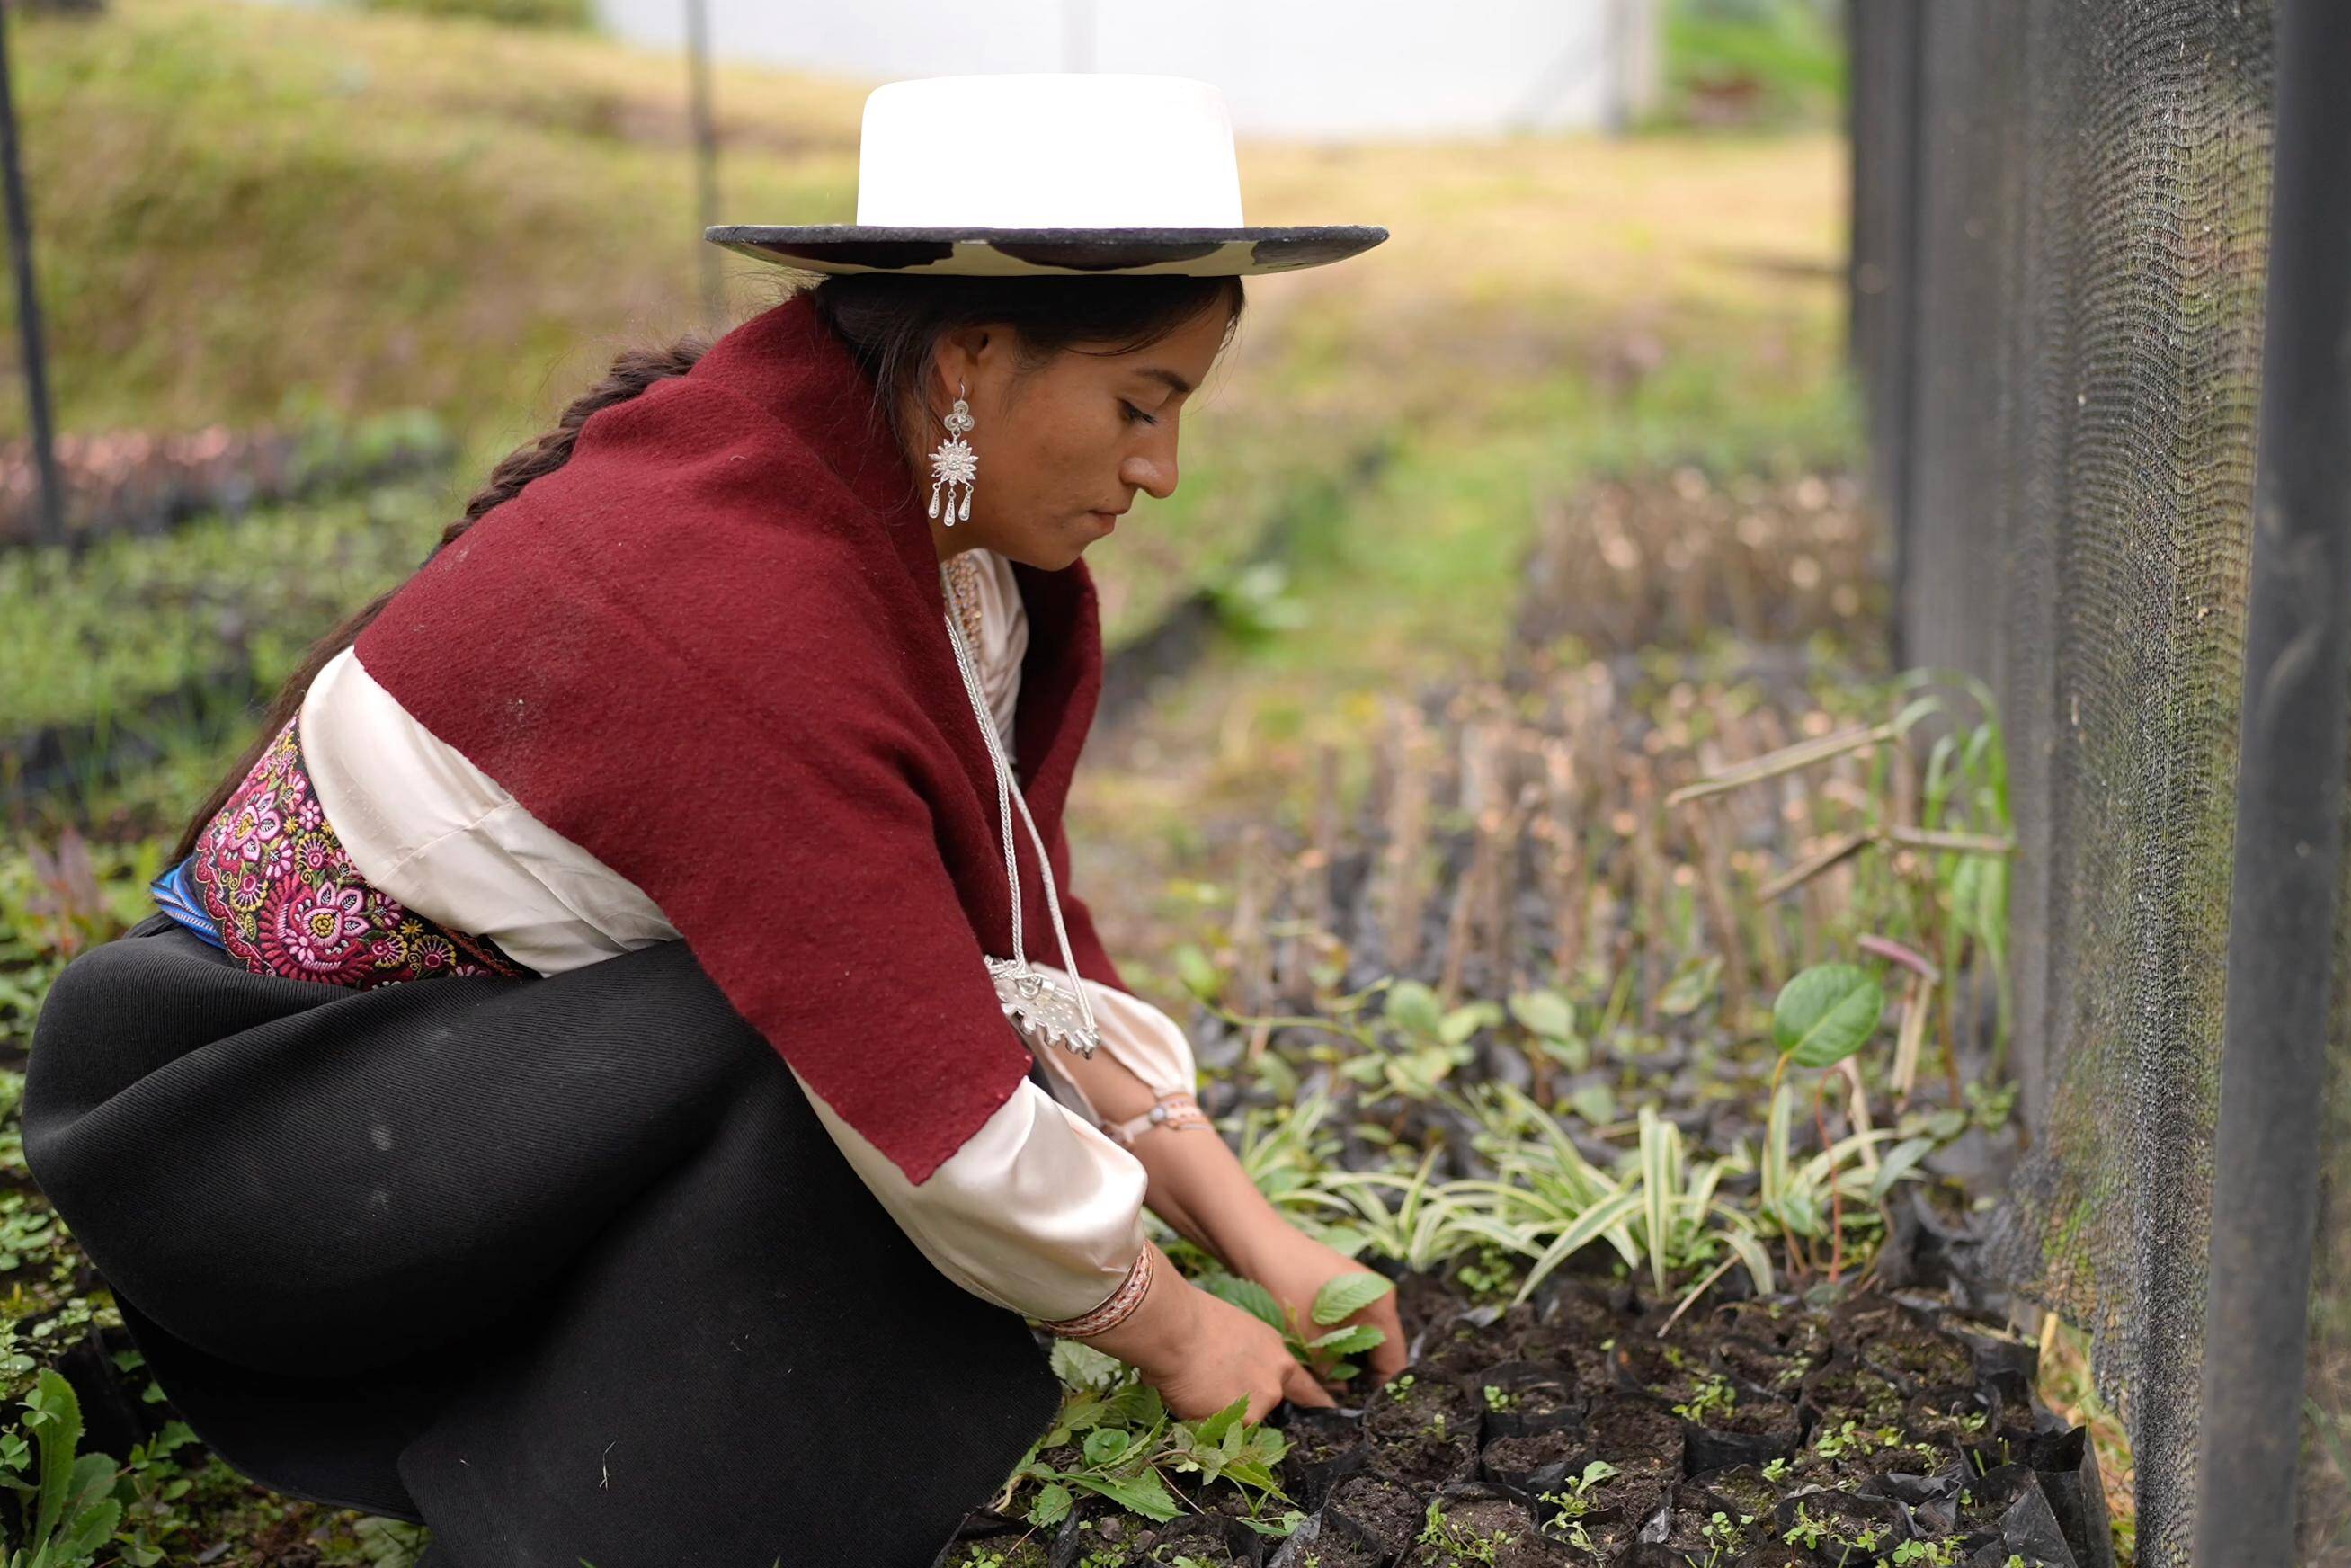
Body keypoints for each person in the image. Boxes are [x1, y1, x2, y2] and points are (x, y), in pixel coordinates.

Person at [25, 74, 1394, 1565]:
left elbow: (1011, 937)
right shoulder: (739, 597)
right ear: (969, 360)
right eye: (1141, 406)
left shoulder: (945, 554)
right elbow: (915, 1070)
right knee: (818, 1063)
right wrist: (1176, 1330)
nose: (1160, 472)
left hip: (472, 1105)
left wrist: (1252, 1236)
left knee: (832, 1029)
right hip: (259, 1144)